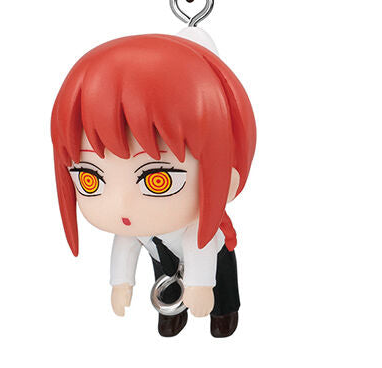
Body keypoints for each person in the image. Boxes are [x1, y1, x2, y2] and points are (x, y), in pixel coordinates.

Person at [51, 33, 256, 337]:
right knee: (163, 274)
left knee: (222, 282)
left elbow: (198, 247)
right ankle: (172, 313)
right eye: (90, 179)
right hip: (163, 257)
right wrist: (121, 283)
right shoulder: (134, 227)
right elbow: (125, 246)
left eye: (157, 180)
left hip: (212, 250)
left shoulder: (196, 228)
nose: (122, 204)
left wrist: (201, 285)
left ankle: (224, 312)